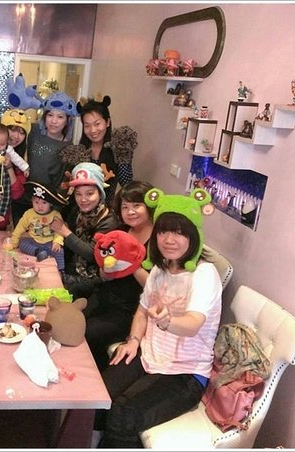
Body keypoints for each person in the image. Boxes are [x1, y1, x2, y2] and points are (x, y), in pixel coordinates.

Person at [94, 188, 222, 448]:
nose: (169, 240)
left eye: (179, 233)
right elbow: (142, 311)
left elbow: (193, 324)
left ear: (194, 236)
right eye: (163, 232)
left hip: (186, 373)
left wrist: (167, 321)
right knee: (98, 396)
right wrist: (133, 341)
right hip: (147, 354)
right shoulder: (160, 268)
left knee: (123, 414)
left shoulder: (204, 274)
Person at [85, 181, 154, 370]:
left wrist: (131, 265)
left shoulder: (158, 240)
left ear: (149, 206)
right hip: (105, 294)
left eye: (137, 205)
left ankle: (97, 374)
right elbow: (103, 270)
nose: (130, 212)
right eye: (125, 207)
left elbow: (154, 287)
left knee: (89, 332)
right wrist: (106, 271)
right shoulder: (119, 232)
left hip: (131, 308)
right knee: (74, 321)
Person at [50, 162, 121, 299]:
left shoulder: (108, 220)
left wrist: (65, 232)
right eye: (78, 194)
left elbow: (92, 254)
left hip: (94, 283)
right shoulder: (77, 211)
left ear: (100, 193)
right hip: (70, 271)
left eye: (90, 193)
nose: (83, 199)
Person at [13, 91, 79, 225]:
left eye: (60, 116)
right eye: (50, 115)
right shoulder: (33, 131)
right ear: (44, 116)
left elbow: (63, 184)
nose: (54, 121)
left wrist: (54, 211)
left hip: (47, 205)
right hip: (23, 197)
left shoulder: (69, 147)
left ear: (67, 120)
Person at [60, 95, 138, 207]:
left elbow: (126, 183)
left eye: (97, 124)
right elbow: (68, 187)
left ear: (107, 122)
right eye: (87, 126)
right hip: (79, 209)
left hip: (104, 211)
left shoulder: (118, 149)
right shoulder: (78, 153)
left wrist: (124, 156)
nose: (93, 130)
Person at [10, 181, 69, 271]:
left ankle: (61, 270)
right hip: (34, 241)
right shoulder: (29, 214)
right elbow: (19, 228)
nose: (40, 206)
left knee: (59, 251)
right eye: (36, 202)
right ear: (32, 201)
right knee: (22, 244)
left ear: (50, 204)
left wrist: (57, 242)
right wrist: (13, 242)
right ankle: (39, 252)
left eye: (44, 203)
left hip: (50, 243)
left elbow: (60, 231)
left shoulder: (55, 215)